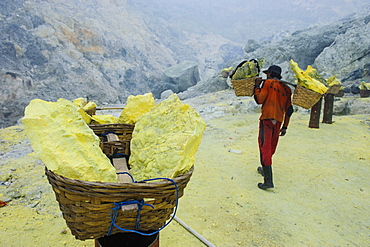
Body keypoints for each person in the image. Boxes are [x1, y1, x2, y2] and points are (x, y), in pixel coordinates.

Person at [253, 65, 293, 190]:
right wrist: (285, 126)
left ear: (270, 73)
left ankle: (268, 181)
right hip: (279, 121)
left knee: (264, 146)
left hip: (267, 119)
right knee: (270, 148)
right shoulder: (286, 89)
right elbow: (290, 110)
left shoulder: (268, 83)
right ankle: (265, 170)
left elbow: (259, 99)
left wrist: (256, 87)